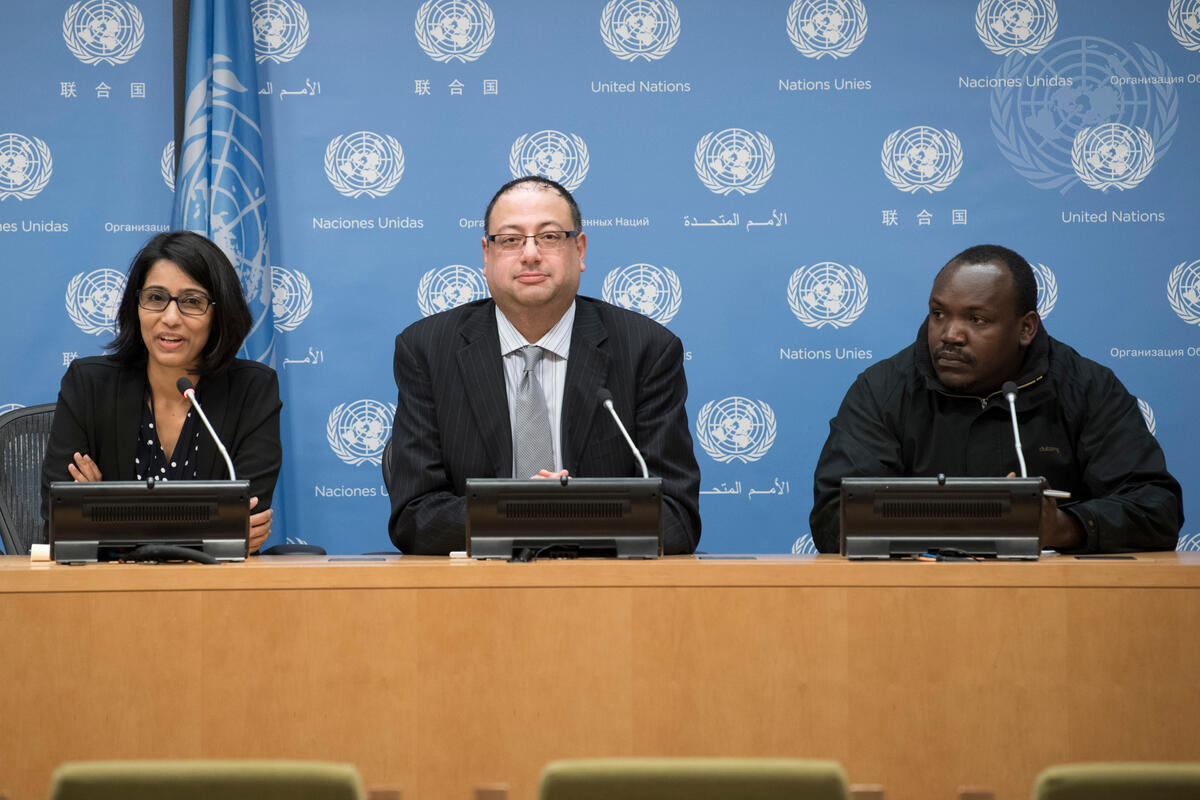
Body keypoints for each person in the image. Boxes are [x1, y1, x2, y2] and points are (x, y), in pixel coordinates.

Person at [385, 176, 701, 555]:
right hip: (475, 586)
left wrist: (555, 513)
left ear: (579, 250)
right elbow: (415, 518)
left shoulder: (646, 350)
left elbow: (676, 517)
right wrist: (535, 512)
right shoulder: (427, 349)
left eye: (549, 237)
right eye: (510, 240)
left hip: (603, 586)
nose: (530, 254)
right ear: (486, 255)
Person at [810, 244, 1183, 554]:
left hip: (1055, 604)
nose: (950, 335)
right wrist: (957, 522)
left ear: (1026, 328)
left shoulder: (1086, 388)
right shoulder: (883, 390)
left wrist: (1063, 527)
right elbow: (834, 516)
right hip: (918, 600)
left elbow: (1156, 507)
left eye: (976, 320)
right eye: (938, 314)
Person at [41, 231, 282, 552]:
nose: (170, 318)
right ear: (136, 305)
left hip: (214, 581)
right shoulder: (88, 384)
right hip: (108, 581)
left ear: (219, 313)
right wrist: (210, 528)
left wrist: (103, 513)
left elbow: (243, 524)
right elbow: (60, 520)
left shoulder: (252, 390)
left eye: (192, 302)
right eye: (156, 298)